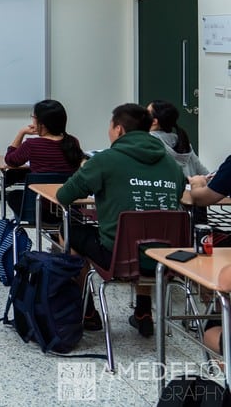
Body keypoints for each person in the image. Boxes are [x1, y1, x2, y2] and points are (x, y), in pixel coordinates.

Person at [57, 103, 183, 337]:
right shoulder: (172, 166)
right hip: (165, 260)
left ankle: (87, 311)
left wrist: (86, 170)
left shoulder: (106, 160)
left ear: (119, 130)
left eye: (111, 126)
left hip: (119, 257)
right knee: (146, 234)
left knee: (69, 232)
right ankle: (143, 312)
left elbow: (64, 196)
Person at [3, 99, 84, 217]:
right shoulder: (73, 142)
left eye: (34, 117)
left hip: (39, 209)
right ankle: (59, 233)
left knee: (13, 196)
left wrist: (21, 133)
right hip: (69, 207)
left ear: (42, 123)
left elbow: (10, 160)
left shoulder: (32, 145)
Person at [148, 99, 208, 178]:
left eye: (146, 113)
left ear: (154, 121)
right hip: (188, 188)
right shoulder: (182, 141)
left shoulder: (148, 141)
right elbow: (204, 173)